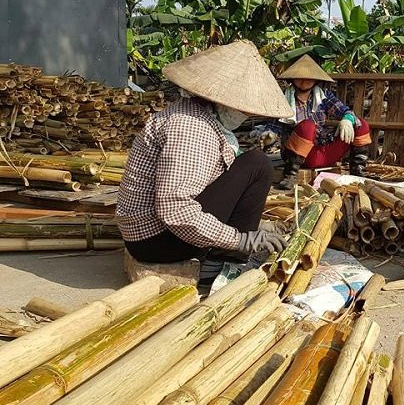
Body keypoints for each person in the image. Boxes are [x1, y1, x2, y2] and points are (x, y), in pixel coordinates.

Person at [116, 40, 293, 286]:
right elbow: (174, 208)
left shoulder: (194, 113)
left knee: (250, 162)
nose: (245, 114)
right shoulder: (192, 127)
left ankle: (224, 252)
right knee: (258, 165)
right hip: (155, 240)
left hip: (151, 232)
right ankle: (221, 263)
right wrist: (239, 240)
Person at [267, 55, 372, 190]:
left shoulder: (324, 96)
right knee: (307, 126)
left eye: (309, 77)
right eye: (299, 77)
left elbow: (345, 111)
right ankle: (290, 175)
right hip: (299, 157)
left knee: (361, 124)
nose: (304, 80)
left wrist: (347, 119)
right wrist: (269, 135)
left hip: (324, 150)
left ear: (316, 80)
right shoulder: (283, 99)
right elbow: (273, 126)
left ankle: (358, 171)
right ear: (292, 79)